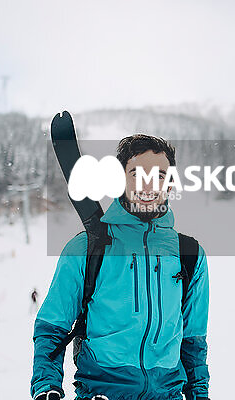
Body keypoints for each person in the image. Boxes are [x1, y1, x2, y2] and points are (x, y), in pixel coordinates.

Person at [31, 135, 210, 400]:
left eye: (160, 175)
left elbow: (193, 341)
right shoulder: (87, 248)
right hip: (101, 393)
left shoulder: (190, 254)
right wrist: (47, 384)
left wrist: (199, 393)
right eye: (137, 174)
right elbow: (52, 327)